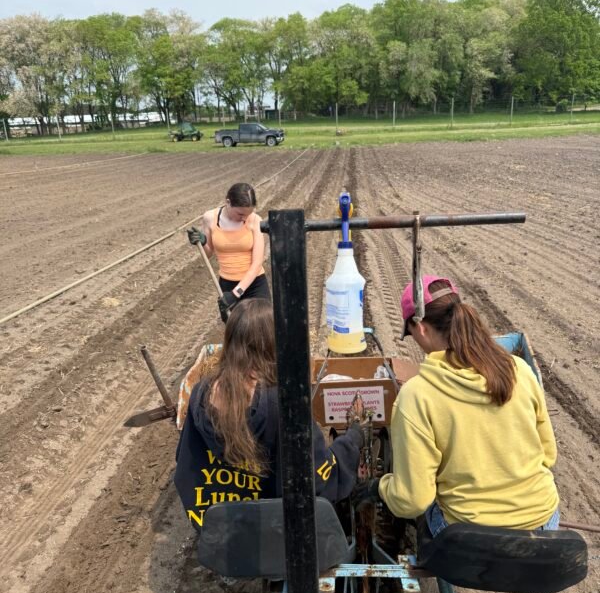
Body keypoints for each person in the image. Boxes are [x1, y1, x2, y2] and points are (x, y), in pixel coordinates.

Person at [354, 275, 560, 536]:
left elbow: (412, 500)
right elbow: (548, 454)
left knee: (422, 508)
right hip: (543, 523)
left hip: (470, 537)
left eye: (410, 333)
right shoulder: (518, 370)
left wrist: (379, 488)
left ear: (420, 327)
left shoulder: (417, 395)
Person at [175, 299, 365, 532]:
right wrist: (355, 435)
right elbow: (322, 479)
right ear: (274, 345)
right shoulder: (283, 404)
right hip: (278, 538)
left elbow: (186, 468)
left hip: (224, 538)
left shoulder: (200, 393)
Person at [187, 182, 270, 322]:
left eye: (248, 213)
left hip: (254, 284)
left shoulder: (255, 220)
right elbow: (208, 254)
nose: (244, 218)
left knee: (262, 328)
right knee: (235, 331)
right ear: (228, 202)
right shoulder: (210, 218)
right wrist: (202, 243)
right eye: (240, 214)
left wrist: (236, 293)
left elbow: (257, 263)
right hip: (227, 284)